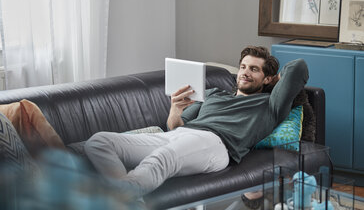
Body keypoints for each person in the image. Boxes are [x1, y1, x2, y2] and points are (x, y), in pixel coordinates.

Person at [84, 46, 309, 199]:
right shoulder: (213, 94)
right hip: (177, 136)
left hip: (217, 145)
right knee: (99, 142)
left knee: (161, 159)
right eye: (242, 67)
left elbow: (298, 67)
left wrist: (277, 80)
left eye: (254, 69)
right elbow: (176, 127)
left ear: (267, 78)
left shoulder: (269, 104)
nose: (245, 73)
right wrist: (175, 108)